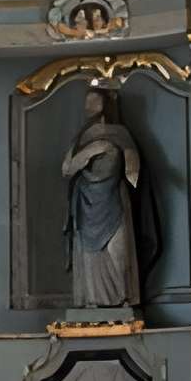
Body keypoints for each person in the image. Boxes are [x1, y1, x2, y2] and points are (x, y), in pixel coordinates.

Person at [61, 86, 149, 317]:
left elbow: (133, 167)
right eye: (87, 101)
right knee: (90, 255)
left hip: (112, 199)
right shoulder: (82, 136)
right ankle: (92, 300)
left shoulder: (120, 133)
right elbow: (68, 168)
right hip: (87, 201)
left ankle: (123, 299)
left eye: (94, 101)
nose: (88, 106)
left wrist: (129, 162)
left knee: (118, 251)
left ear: (106, 105)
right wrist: (90, 149)